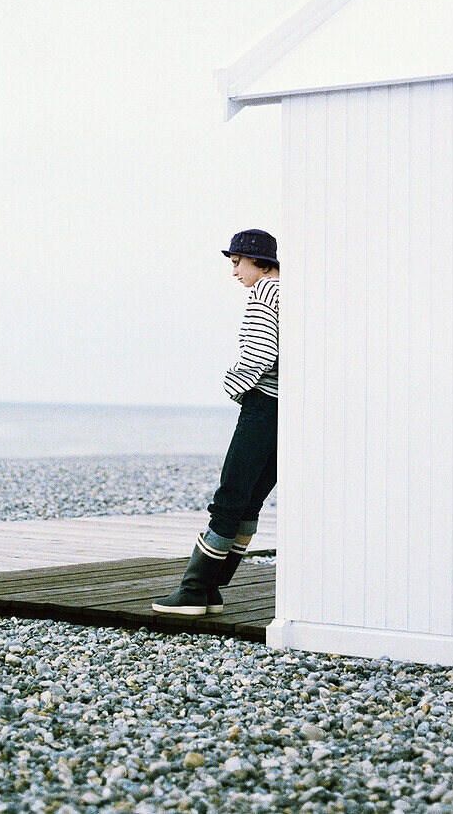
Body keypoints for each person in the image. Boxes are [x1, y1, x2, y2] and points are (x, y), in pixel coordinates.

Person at [153, 229, 280, 616]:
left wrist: (234, 385)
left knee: (229, 498)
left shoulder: (263, 294)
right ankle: (211, 590)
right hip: (290, 411)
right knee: (250, 502)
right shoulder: (297, 294)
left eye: (238, 262)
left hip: (263, 407)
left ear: (260, 262)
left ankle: (193, 590)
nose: (235, 272)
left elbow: (261, 352)